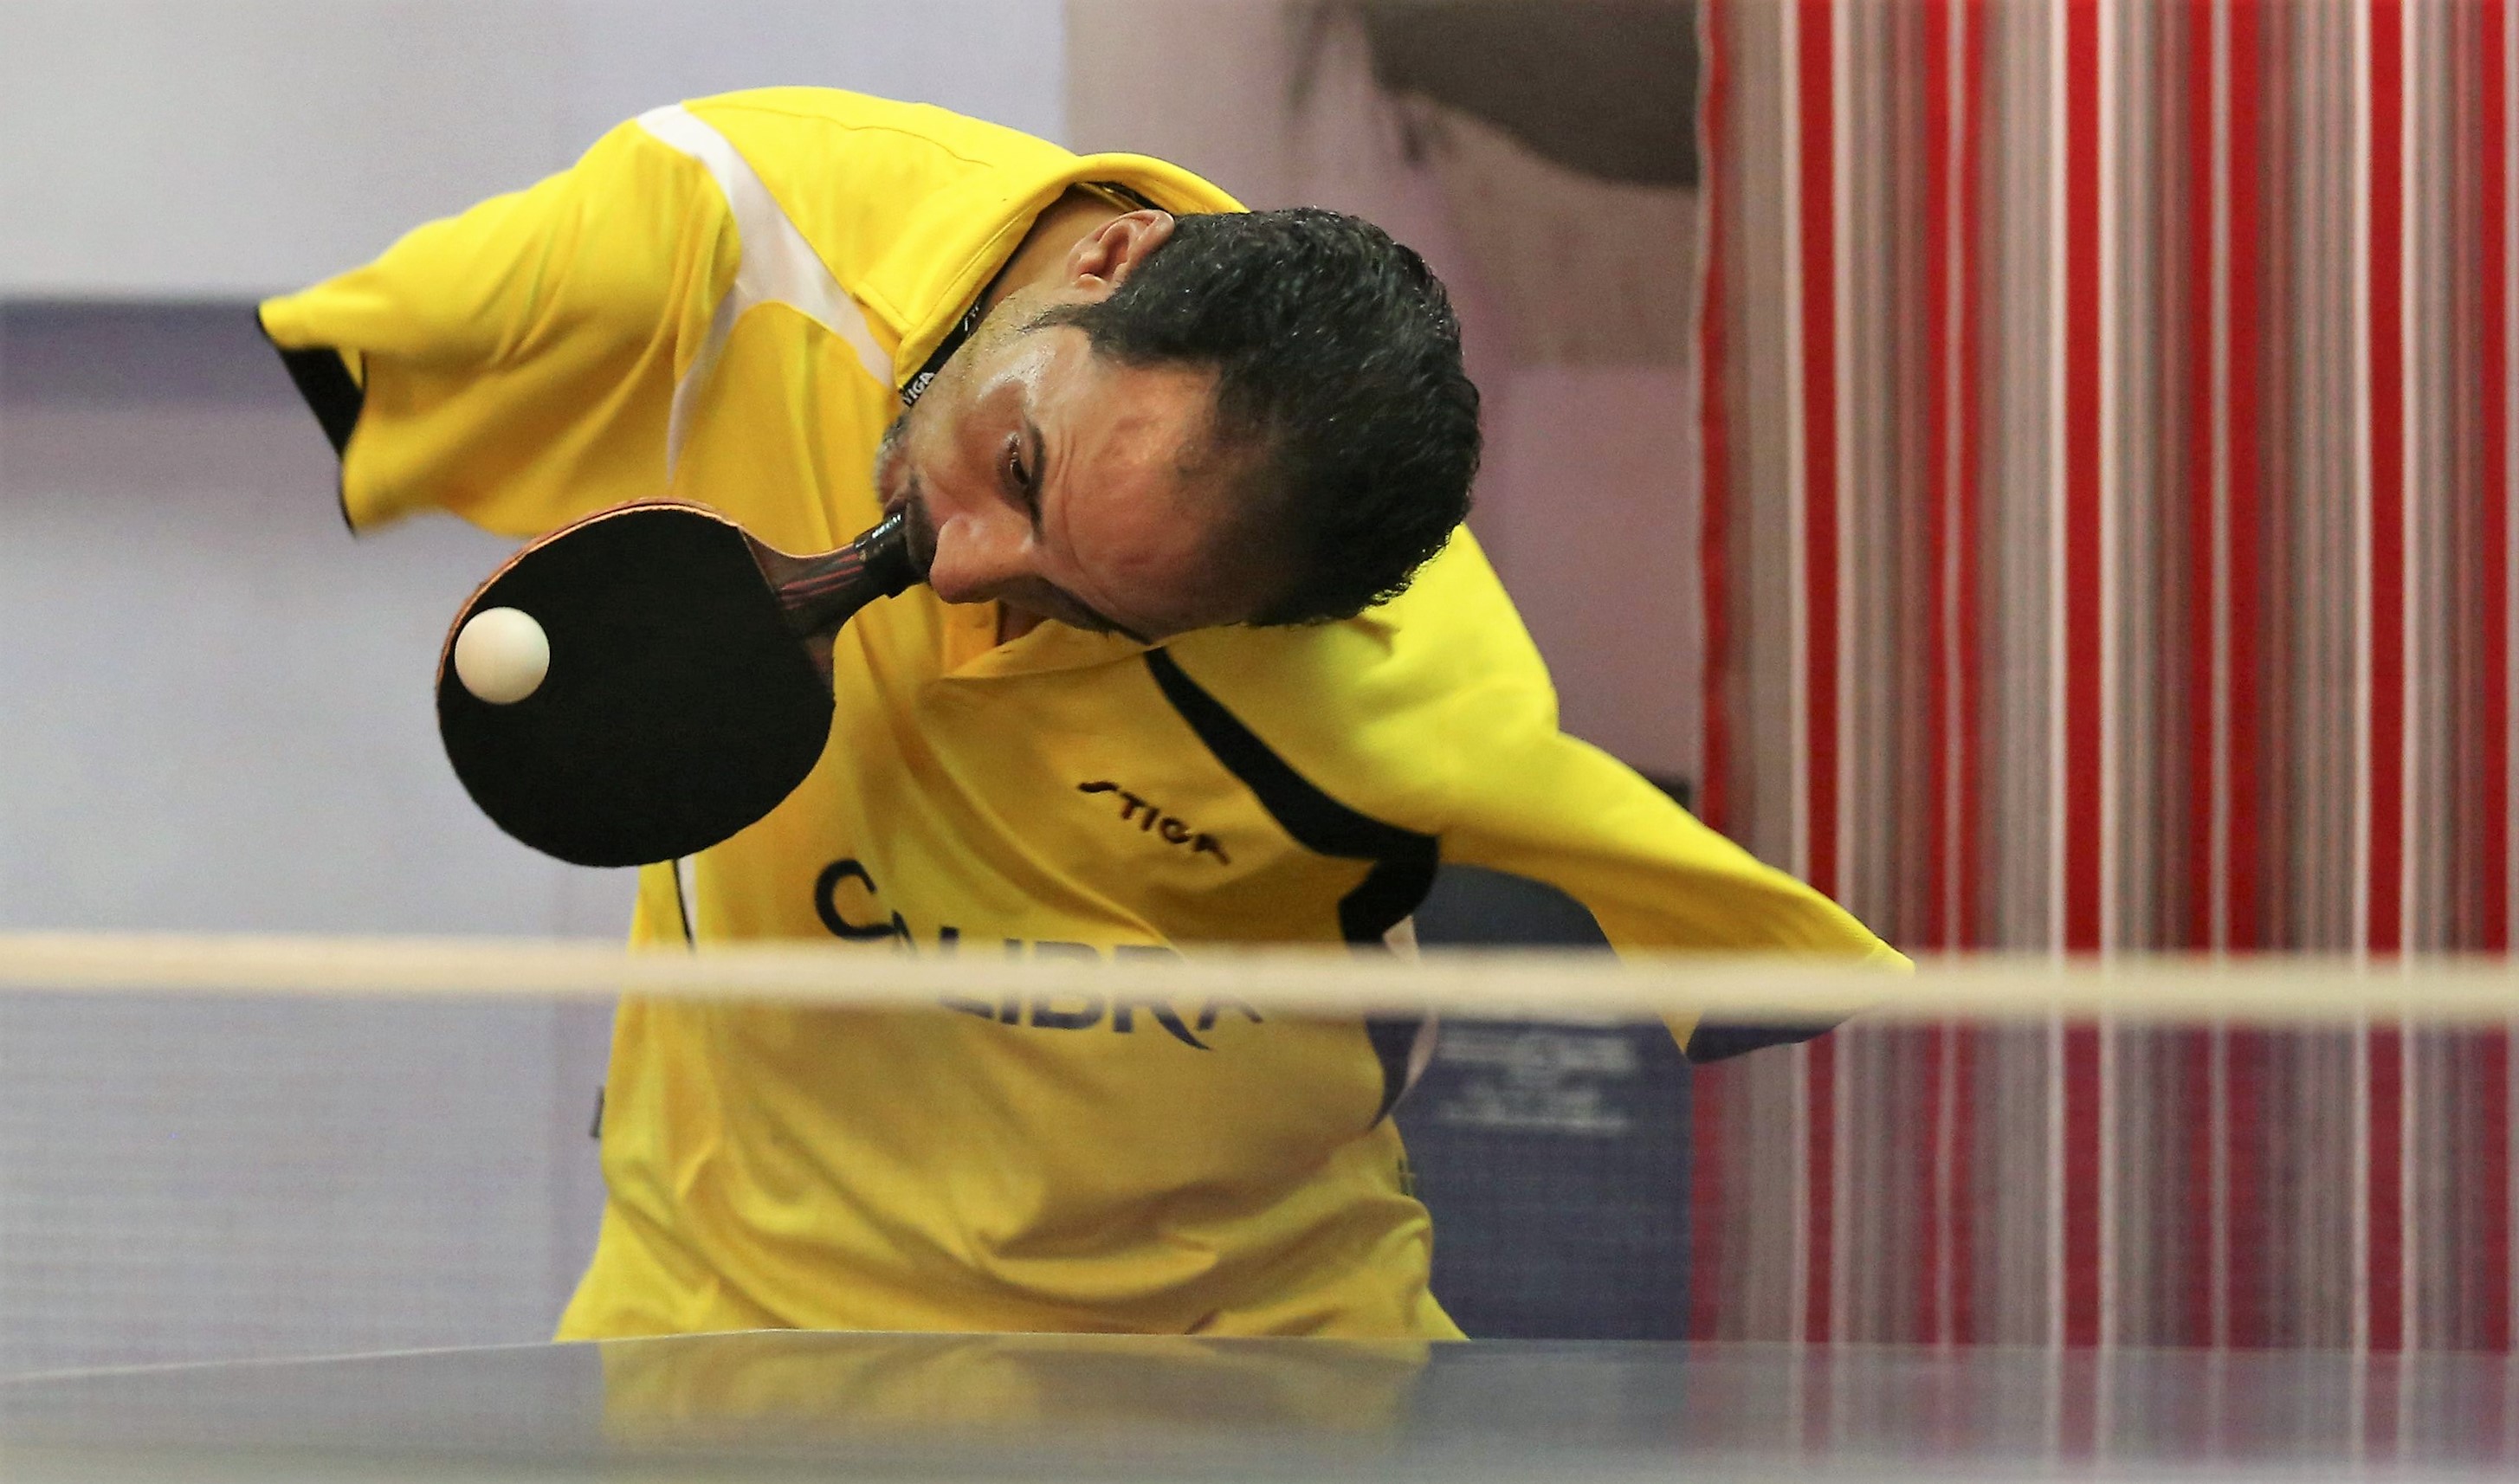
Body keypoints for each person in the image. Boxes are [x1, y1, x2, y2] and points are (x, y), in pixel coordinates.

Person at [260, 88, 1900, 1341]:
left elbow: (1777, 975)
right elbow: (369, 376)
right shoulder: (735, 226)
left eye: (1083, 602)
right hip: (723, 1341)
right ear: (1114, 261)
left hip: (1232, 1374)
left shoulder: (1413, 696)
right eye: (1024, 467)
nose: (971, 566)